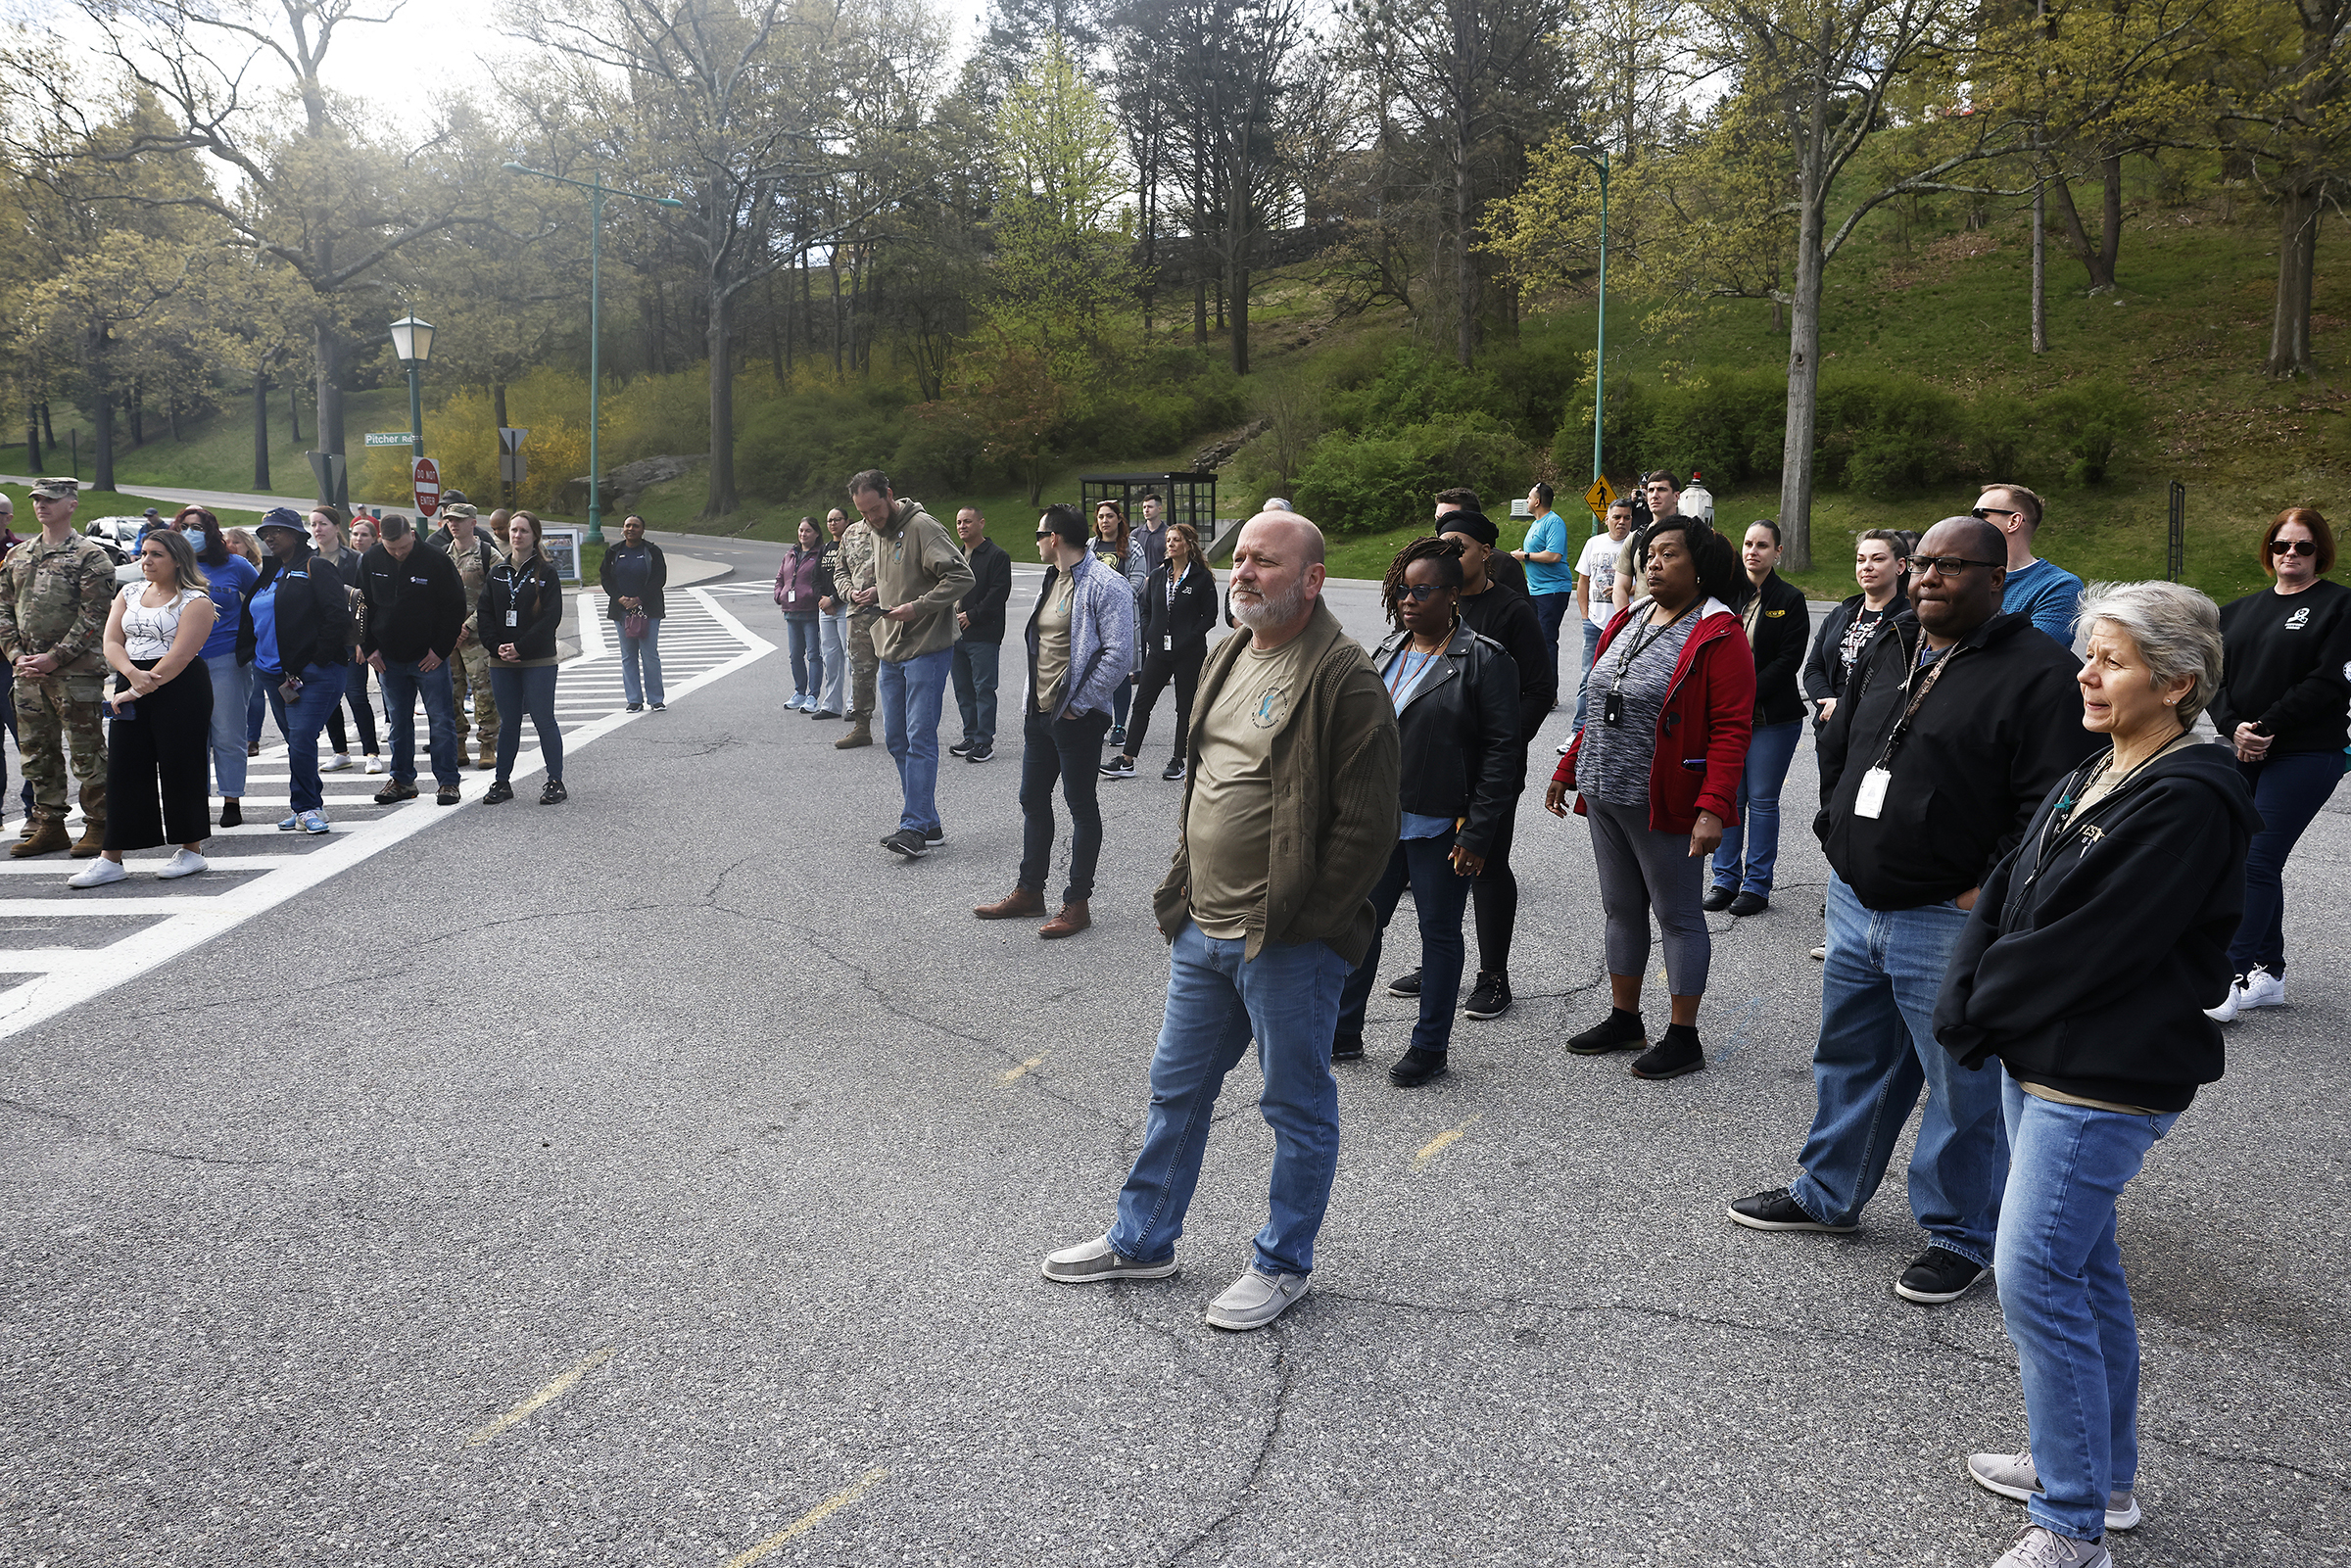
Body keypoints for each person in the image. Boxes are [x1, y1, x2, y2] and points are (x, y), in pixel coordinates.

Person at [1934, 582, 2253, 1568]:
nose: (2087, 673)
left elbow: (2096, 942)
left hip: (2103, 1073)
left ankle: (2073, 1524)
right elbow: (2012, 881)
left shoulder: (2192, 796)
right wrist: (1964, 987)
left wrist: (1980, 1004)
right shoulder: (2102, 763)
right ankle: (2100, 1479)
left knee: (2034, 1275)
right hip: (2043, 1050)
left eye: (2110, 660)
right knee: (2081, 1267)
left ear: (2178, 680)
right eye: (2089, 655)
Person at [1039, 510, 1399, 1333]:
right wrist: (1180, 887)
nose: (1243, 572)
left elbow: (1366, 829)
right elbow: (1205, 780)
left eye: (1265, 563)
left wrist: (1302, 920)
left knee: (1295, 1106)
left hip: (1287, 942)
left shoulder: (1344, 677)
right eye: (1239, 558)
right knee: (1177, 1089)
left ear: (1311, 578)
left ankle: (1282, 1263)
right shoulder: (1232, 650)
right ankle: (1143, 1238)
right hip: (1204, 927)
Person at [1729, 516, 2100, 1307]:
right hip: (1856, 897)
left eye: (1953, 566)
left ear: (1996, 580)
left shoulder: (2039, 673)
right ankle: (1827, 1195)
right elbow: (1845, 744)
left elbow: (2052, 804)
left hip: (1948, 914)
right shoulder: (1892, 641)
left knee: (1961, 1082)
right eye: (1924, 562)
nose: (1930, 576)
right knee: (1851, 1056)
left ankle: (1963, 1232)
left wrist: (1983, 892)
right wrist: (1833, 827)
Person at [1545, 514, 1752, 1080]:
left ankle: (1684, 1036)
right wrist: (1568, 765)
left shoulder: (1719, 632)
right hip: (1605, 788)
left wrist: (1714, 807)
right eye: (1650, 555)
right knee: (1621, 908)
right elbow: (1598, 698)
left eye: (1669, 554)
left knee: (1678, 915)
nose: (1653, 564)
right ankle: (1624, 1017)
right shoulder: (1631, 618)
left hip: (1664, 798)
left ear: (1699, 565)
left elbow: (1732, 729)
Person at [1332, 536, 1520, 1085]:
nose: (1408, 600)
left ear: (1453, 594)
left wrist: (1479, 832)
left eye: (1421, 591)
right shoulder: (1387, 652)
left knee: (1439, 934)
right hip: (1378, 821)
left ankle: (1429, 1046)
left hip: (1443, 824)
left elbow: (1502, 754)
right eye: (1401, 590)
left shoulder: (1485, 659)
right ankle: (1344, 1031)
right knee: (1361, 926)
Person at [2203, 506, 2351, 1022]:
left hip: (2308, 752)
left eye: (2303, 547)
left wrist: (2263, 727)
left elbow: (2330, 680)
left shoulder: (2340, 606)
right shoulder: (2236, 611)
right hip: (2243, 747)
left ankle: (2228, 978)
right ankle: (2268, 973)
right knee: (2238, 855)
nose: (2290, 554)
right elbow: (2213, 678)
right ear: (2269, 550)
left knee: (2257, 859)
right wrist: (2232, 728)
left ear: (2320, 553)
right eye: (2281, 545)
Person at [974, 504, 1134, 937]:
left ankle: (1076, 903)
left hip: (1076, 717)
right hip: (1040, 712)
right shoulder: (1053, 578)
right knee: (1032, 798)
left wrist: (1077, 704)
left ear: (1056, 537)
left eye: (1040, 534)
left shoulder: (1107, 583)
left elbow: (1121, 654)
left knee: (1080, 806)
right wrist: (1038, 704)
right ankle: (1029, 892)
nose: (1037, 541)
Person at [1415, 509, 1550, 1021]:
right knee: (1433, 864)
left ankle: (1494, 975)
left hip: (1490, 765)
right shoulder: (1427, 602)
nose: (1450, 554)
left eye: (1461, 545)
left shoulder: (1510, 610)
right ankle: (1438, 962)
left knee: (1487, 865)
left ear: (1486, 553)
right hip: (1430, 763)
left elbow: (1539, 689)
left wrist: (1505, 743)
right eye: (1442, 544)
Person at [71, 530, 216, 886]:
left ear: (178, 560)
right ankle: (112, 857)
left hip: (180, 687)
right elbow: (110, 640)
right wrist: (132, 676)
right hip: (131, 678)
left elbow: (181, 655)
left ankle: (191, 850)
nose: (146, 561)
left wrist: (138, 687)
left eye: (156, 555)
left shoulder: (196, 601)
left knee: (181, 764)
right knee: (124, 767)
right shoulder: (130, 591)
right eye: (144, 553)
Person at [853, 470, 972, 856]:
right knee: (897, 739)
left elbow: (960, 576)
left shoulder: (922, 526)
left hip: (927, 648)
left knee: (920, 737)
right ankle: (929, 821)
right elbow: (904, 575)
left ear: (889, 494)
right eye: (864, 513)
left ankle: (914, 827)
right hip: (890, 650)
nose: (871, 518)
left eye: (874, 509)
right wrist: (879, 590)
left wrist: (919, 607)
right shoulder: (877, 530)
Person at [1, 477, 114, 859]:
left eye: (50, 499)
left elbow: (94, 616)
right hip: (28, 672)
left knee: (86, 752)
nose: (41, 505)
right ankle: (50, 825)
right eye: (37, 499)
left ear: (72, 504)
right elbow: (3, 610)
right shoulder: (18, 555)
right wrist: (17, 655)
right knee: (37, 752)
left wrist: (54, 658)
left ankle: (100, 824)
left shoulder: (90, 556)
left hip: (74, 673)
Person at [1705, 519, 1811, 917]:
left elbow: (1788, 661)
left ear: (1777, 552)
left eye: (1763, 545)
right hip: (1726, 718)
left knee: (1762, 802)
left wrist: (1744, 693)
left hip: (1772, 719)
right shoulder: (1726, 596)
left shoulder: (1790, 597)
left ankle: (1756, 885)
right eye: (1748, 543)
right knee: (1729, 798)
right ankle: (1724, 879)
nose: (1753, 551)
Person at [239, 506, 352, 835]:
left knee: (302, 739)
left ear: (297, 534)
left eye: (277, 531)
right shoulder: (271, 572)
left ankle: (305, 807)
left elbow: (336, 617)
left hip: (316, 673)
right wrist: (252, 656)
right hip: (272, 673)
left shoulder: (316, 566)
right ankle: (308, 802)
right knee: (296, 742)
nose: (269, 537)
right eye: (264, 533)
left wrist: (315, 660)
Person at [360, 514, 468, 807]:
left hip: (428, 656)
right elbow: (361, 606)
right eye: (392, 549)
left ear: (412, 534)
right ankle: (402, 779)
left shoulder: (435, 560)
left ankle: (447, 781)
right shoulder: (371, 560)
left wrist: (440, 650)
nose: (398, 554)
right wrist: (369, 648)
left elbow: (455, 607)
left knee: (441, 720)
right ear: (382, 540)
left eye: (403, 548)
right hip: (388, 657)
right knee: (398, 722)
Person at [1100, 522, 1218, 783]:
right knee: (1141, 703)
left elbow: (1209, 615)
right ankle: (1127, 759)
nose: (1170, 544)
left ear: (1188, 544)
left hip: (1189, 653)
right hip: (1159, 652)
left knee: (1184, 708)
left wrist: (1190, 637)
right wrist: (1149, 632)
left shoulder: (1201, 578)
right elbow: (1145, 609)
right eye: (1168, 540)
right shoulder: (1157, 575)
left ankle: (1179, 759)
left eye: (1176, 540)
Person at [167, 507, 257, 830]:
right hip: (180, 661)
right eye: (186, 527)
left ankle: (231, 799)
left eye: (199, 527)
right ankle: (196, 799)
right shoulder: (172, 567)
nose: (192, 532)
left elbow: (260, 601)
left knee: (228, 732)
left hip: (226, 658)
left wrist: (253, 643)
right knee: (189, 736)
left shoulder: (236, 565)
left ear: (212, 532)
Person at [476, 510, 568, 805]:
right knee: (509, 722)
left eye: (523, 531)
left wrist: (521, 647)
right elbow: (485, 614)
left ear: (534, 536)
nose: (517, 535)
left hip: (537, 659)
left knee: (544, 719)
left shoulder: (548, 573)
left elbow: (550, 618)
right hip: (502, 660)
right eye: (514, 530)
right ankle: (502, 782)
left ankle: (555, 780)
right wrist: (496, 646)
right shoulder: (497, 572)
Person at [1803, 529, 1911, 732]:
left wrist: (1843, 707)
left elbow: (1897, 683)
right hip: (1830, 728)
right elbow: (1813, 668)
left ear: (1900, 566)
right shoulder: (1839, 614)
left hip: (1876, 733)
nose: (1867, 567)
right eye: (1861, 560)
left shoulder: (1911, 621)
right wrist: (1829, 702)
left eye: (1877, 559)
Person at [430, 502, 503, 768]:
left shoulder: (488, 554)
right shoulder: (439, 556)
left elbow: (496, 595)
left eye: (459, 520)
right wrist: (447, 628)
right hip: (447, 639)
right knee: (450, 692)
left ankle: (488, 744)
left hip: (478, 638)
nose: (453, 524)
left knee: (484, 691)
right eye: (449, 519)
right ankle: (458, 742)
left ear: (473, 522)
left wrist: (468, 625)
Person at [309, 508, 381, 777]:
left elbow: (366, 602)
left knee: (356, 695)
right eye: (313, 524)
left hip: (351, 639)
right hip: (321, 639)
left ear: (336, 526)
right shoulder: (308, 559)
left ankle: (371, 752)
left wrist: (363, 640)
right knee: (329, 698)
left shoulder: (355, 559)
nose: (318, 529)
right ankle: (341, 751)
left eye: (323, 524)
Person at [1976, 484, 2083, 645]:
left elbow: (2032, 655)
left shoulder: (2061, 586)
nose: (1969, 522)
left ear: (2014, 521)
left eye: (1979, 514)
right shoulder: (1966, 575)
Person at [950, 506, 1012, 763]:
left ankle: (984, 741)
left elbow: (998, 593)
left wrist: (972, 615)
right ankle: (970, 735)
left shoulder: (996, 556)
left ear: (981, 523)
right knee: (963, 689)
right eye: (959, 522)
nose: (962, 526)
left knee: (983, 688)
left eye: (968, 521)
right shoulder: (955, 555)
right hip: (955, 634)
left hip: (983, 632)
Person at [1571, 499, 1635, 730]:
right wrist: (1585, 615)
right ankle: (1579, 729)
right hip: (1595, 622)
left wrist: (1624, 589)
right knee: (1589, 676)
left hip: (1624, 622)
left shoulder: (1636, 544)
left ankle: (1611, 728)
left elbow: (1647, 583)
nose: (1622, 522)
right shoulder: (1593, 543)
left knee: (1622, 678)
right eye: (1617, 517)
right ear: (1606, 519)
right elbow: (1583, 581)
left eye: (1627, 517)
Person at [1089, 499, 1147, 748]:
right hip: (1092, 618)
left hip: (1119, 618)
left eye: (1109, 516)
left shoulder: (1132, 547)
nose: (1105, 521)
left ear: (1118, 519)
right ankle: (1096, 721)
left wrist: (1112, 601)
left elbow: (1136, 581)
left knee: (1120, 672)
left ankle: (1120, 725)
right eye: (1101, 516)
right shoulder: (1090, 546)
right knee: (1093, 670)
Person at [600, 514, 668, 714]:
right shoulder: (614, 551)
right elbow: (605, 578)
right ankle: (634, 700)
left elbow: (659, 578)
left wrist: (640, 599)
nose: (631, 529)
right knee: (628, 655)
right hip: (621, 611)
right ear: (623, 529)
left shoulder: (652, 551)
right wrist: (620, 598)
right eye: (628, 525)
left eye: (636, 526)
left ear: (642, 530)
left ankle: (656, 699)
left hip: (648, 610)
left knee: (649, 654)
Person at [1510, 481, 1573, 687]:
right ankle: (1533, 684)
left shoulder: (1553, 522)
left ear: (1537, 502)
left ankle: (1549, 691)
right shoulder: (1536, 524)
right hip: (1534, 590)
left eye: (1529, 497)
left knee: (1546, 641)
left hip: (1552, 590)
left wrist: (1525, 556)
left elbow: (1554, 555)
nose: (1526, 500)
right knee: (1532, 639)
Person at [835, 500, 882, 750]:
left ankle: (906, 727)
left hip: (892, 612)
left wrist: (880, 592)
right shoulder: (851, 533)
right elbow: (839, 571)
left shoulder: (896, 529)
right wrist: (850, 593)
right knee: (861, 673)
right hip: (859, 614)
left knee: (900, 674)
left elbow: (910, 572)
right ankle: (862, 727)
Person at [775, 517, 828, 711]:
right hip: (791, 611)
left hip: (811, 612)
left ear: (816, 534)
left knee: (814, 655)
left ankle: (813, 696)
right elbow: (780, 577)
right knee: (795, 655)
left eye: (807, 531)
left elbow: (824, 579)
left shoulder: (820, 554)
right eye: (801, 530)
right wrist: (779, 595)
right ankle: (799, 692)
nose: (803, 534)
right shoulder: (790, 554)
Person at [1435, 488, 1527, 598]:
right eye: (1438, 519)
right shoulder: (1433, 564)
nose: (1441, 525)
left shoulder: (1504, 564)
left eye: (1449, 518)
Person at [813, 508, 850, 721]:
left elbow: (852, 576)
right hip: (825, 610)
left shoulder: (850, 546)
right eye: (829, 520)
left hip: (844, 606)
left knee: (850, 656)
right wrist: (822, 600)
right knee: (830, 658)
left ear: (846, 521)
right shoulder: (825, 548)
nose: (833, 524)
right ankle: (832, 705)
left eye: (837, 520)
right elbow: (815, 578)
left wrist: (834, 600)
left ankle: (855, 705)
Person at [1134, 491, 1172, 581]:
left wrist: (1153, 577)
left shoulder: (1169, 534)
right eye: (1144, 507)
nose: (1146, 510)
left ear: (1159, 509)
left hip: (1161, 582)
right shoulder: (1136, 534)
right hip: (1139, 584)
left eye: (1150, 507)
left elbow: (1171, 559)